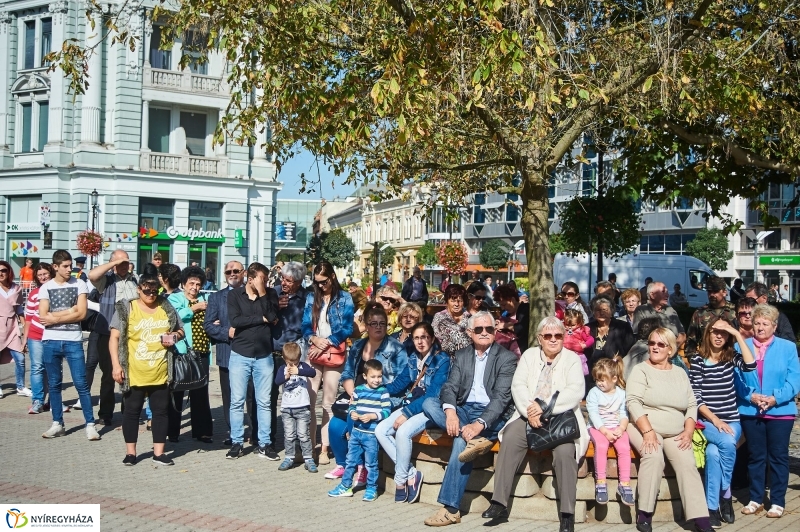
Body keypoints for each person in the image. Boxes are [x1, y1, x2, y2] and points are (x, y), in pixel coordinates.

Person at [481, 317, 585, 531]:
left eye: (558, 336)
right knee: (510, 436)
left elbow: (576, 391)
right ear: (540, 338)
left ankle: (567, 514)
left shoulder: (572, 359)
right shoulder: (529, 356)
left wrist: (544, 407)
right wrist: (530, 411)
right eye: (548, 336)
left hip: (561, 418)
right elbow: (518, 385)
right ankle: (499, 502)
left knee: (566, 453)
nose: (553, 340)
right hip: (528, 413)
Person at [421, 311, 517, 527]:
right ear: (470, 332)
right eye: (479, 329)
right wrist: (451, 412)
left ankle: (450, 509)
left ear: (495, 331)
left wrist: (479, 424)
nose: (484, 333)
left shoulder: (507, 358)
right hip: (464, 410)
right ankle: (472, 436)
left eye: (489, 329)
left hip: (491, 415)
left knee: (459, 441)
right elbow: (450, 387)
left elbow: (501, 399)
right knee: (429, 404)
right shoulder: (462, 355)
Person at [625, 327, 712, 532]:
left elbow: (691, 404)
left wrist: (689, 431)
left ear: (670, 349)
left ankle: (700, 518)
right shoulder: (641, 369)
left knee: (687, 463)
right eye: (652, 343)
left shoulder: (680, 372)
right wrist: (648, 431)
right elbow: (633, 402)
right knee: (653, 455)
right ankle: (644, 514)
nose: (654, 347)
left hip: (676, 430)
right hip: (643, 425)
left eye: (660, 344)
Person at [109, 268, 183, 466]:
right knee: (132, 412)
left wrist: (175, 336)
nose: (151, 295)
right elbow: (114, 338)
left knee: (160, 412)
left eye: (154, 291)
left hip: (160, 371)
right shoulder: (127, 308)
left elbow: (180, 329)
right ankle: (131, 453)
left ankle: (159, 453)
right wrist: (116, 366)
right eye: (146, 291)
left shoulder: (166, 306)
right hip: (134, 371)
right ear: (138, 289)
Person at [324, 303, 406, 481]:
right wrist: (353, 393)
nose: (378, 327)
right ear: (367, 326)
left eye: (382, 323)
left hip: (381, 399)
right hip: (356, 394)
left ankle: (363, 467)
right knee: (335, 427)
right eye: (374, 323)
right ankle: (343, 465)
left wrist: (371, 396)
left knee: (359, 425)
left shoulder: (396, 349)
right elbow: (346, 373)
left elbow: (401, 380)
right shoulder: (357, 346)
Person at [689, 318, 756, 527]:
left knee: (713, 453)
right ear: (708, 334)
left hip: (732, 420)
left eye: (723, 332)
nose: (719, 336)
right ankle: (725, 495)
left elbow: (750, 365)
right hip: (708, 421)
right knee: (726, 443)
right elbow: (697, 397)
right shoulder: (698, 360)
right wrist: (716, 421)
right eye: (715, 332)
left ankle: (712, 507)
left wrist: (737, 334)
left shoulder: (730, 357)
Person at [735, 304, 800, 519]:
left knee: (778, 457)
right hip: (751, 409)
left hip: (780, 411)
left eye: (765, 323)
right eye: (757, 323)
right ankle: (755, 498)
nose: (760, 327)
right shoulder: (741, 347)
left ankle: (778, 501)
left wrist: (775, 398)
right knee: (755, 456)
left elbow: (794, 380)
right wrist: (751, 395)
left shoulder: (788, 348)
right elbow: (736, 378)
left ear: (774, 326)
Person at [375, 322, 451, 504]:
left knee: (402, 432)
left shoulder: (443, 360)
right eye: (416, 338)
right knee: (380, 430)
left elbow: (433, 396)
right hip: (412, 404)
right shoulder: (413, 358)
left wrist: (406, 414)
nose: (420, 342)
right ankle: (411, 473)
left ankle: (400, 481)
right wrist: (374, 390)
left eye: (424, 337)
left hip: (430, 409)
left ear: (432, 339)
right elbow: (399, 384)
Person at [38, 250, 98, 440]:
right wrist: (69, 311)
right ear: (55, 267)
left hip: (73, 340)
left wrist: (55, 316)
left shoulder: (79, 284)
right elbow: (42, 316)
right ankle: (57, 423)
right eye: (65, 266)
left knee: (81, 383)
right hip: (50, 340)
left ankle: (90, 424)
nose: (69, 269)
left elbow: (81, 314)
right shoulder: (45, 287)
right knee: (54, 384)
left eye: (70, 265)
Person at [302, 261, 354, 465]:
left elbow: (347, 328)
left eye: (323, 282)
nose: (320, 286)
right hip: (314, 350)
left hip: (333, 353)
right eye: (317, 282)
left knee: (328, 402)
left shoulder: (345, 298)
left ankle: (325, 447)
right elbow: (305, 323)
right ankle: (309, 447)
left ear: (332, 277)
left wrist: (327, 342)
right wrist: (313, 338)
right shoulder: (311, 297)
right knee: (309, 400)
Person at [226, 262, 279, 459]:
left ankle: (265, 444)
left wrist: (263, 292)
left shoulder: (270, 294)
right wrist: (260, 318)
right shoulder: (234, 295)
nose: (265, 282)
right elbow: (235, 321)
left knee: (264, 402)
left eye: (266, 279)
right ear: (250, 278)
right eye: (262, 279)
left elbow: (273, 317)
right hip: (240, 354)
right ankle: (237, 442)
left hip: (264, 355)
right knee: (237, 401)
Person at [204, 261, 258, 446]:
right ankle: (233, 433)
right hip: (227, 353)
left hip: (251, 353)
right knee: (230, 396)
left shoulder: (252, 293)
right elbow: (209, 325)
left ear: (243, 273)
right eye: (228, 271)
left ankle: (253, 431)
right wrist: (226, 332)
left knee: (251, 395)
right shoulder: (216, 298)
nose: (232, 274)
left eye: (236, 271)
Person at [86, 249, 139, 425]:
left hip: (131, 334)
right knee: (109, 374)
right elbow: (91, 275)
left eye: (126, 262)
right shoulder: (106, 281)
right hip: (108, 333)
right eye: (120, 263)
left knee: (131, 375)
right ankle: (106, 413)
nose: (124, 266)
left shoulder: (135, 280)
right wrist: (113, 264)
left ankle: (129, 412)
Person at [327, 359, 391, 502]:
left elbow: (387, 411)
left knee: (371, 463)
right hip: (356, 433)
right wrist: (353, 413)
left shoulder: (383, 392)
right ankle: (345, 486)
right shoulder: (359, 390)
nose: (376, 380)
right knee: (350, 461)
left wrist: (372, 416)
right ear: (365, 376)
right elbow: (352, 406)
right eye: (373, 377)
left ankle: (371, 488)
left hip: (371, 435)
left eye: (379, 376)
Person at [167, 265, 214, 444]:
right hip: (180, 351)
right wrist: (194, 308)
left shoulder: (206, 297)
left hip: (201, 352)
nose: (195, 288)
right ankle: (172, 432)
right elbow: (173, 317)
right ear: (184, 284)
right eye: (191, 283)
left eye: (198, 284)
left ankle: (202, 432)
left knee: (201, 392)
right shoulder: (175, 298)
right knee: (177, 390)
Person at [270, 261, 308, 453]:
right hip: (272, 351)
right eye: (283, 279)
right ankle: (269, 439)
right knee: (269, 397)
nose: (284, 283)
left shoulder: (306, 298)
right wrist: (275, 308)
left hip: (294, 354)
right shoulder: (273, 293)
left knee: (297, 397)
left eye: (289, 281)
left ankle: (299, 444)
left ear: (299, 282)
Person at [587, 357, 634, 507]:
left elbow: (624, 414)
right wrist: (604, 431)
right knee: (601, 447)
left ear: (614, 379)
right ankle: (601, 482)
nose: (599, 383)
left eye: (602, 379)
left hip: (616, 427)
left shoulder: (621, 394)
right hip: (598, 427)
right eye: (597, 379)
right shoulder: (594, 393)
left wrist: (621, 428)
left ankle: (625, 483)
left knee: (624, 448)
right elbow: (593, 414)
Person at [274, 341, 317, 473]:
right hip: (287, 409)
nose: (292, 364)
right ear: (284, 359)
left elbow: (313, 373)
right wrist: (286, 377)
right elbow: (277, 381)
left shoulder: (303, 367)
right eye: (290, 362)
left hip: (302, 408)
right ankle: (289, 457)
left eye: (296, 361)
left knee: (303, 435)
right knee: (289, 435)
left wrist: (299, 370)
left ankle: (308, 459)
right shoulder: (283, 368)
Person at [21, 263, 54, 413]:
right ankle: (37, 401)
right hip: (35, 335)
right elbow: (28, 318)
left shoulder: (57, 290)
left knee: (52, 369)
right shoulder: (34, 293)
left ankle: (53, 401)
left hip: (53, 335)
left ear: (51, 273)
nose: (42, 277)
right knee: (37, 368)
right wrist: (24, 339)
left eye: (45, 274)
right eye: (39, 275)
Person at [587, 297, 634, 394]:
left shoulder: (622, 327)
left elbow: (630, 349)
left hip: (614, 374)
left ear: (611, 311)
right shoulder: (588, 328)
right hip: (592, 375)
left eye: (605, 310)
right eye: (598, 310)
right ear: (593, 312)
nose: (601, 313)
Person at [685, 276, 736, 357]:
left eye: (715, 291)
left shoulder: (735, 311)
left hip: (730, 360)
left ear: (724, 292)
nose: (711, 294)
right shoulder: (700, 313)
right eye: (709, 291)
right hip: (706, 361)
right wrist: (693, 360)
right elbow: (691, 341)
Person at [0, 260, 30, 398]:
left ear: (9, 272)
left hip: (12, 327)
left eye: (3, 270)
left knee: (20, 357)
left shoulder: (17, 288)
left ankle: (21, 387)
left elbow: (19, 309)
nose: (1, 273)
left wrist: (24, 328)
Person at [632, 281, 686, 347]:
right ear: (652, 295)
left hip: (672, 351)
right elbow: (638, 336)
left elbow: (682, 334)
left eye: (667, 292)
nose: (667, 295)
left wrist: (672, 349)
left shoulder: (671, 310)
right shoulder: (641, 311)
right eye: (663, 292)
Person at [431, 284, 472, 355]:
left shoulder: (469, 317)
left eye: (460, 300)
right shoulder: (440, 317)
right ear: (447, 301)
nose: (456, 304)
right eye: (453, 301)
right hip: (445, 358)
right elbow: (434, 340)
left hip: (466, 358)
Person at [492, 283, 530, 351]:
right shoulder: (507, 314)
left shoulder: (525, 310)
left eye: (504, 304)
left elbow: (522, 328)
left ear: (512, 300)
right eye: (500, 305)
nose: (502, 308)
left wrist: (505, 325)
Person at [562, 308, 593, 376]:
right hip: (565, 355)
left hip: (577, 355)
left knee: (577, 373)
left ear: (579, 323)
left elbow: (591, 339)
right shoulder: (562, 330)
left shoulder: (580, 331)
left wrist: (584, 345)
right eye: (567, 324)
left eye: (573, 325)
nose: (570, 327)